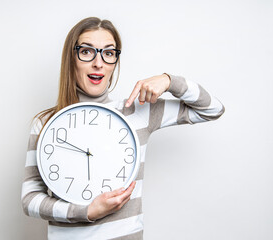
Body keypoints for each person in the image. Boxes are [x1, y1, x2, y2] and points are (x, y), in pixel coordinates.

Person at [21, 17, 225, 240]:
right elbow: (30, 199)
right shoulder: (46, 122)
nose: (98, 63)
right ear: (72, 58)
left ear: (114, 62)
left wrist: (169, 81)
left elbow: (212, 109)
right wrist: (86, 212)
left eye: (108, 53)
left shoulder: (137, 111)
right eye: (87, 51)